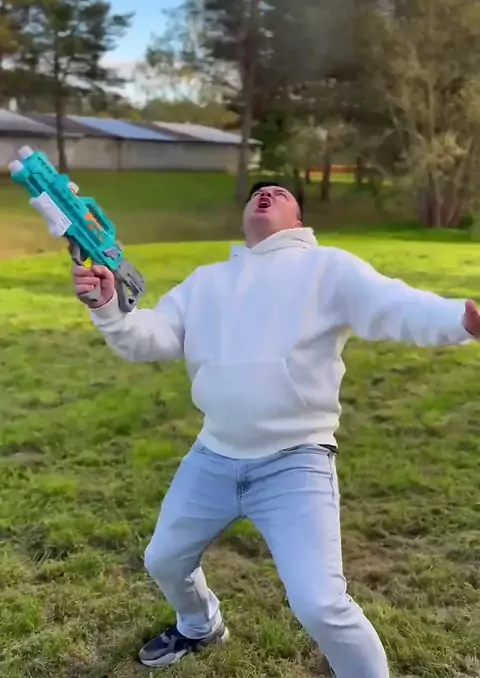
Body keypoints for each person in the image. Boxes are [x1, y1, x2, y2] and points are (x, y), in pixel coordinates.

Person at [72, 182, 480, 677]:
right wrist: (108, 308)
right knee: (164, 560)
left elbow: (396, 305)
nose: (265, 193)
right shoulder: (207, 281)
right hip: (213, 455)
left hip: (295, 462)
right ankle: (200, 625)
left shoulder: (327, 268)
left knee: (320, 604)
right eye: (258, 192)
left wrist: (459, 320)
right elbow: (148, 338)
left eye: (279, 192)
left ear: (299, 218)